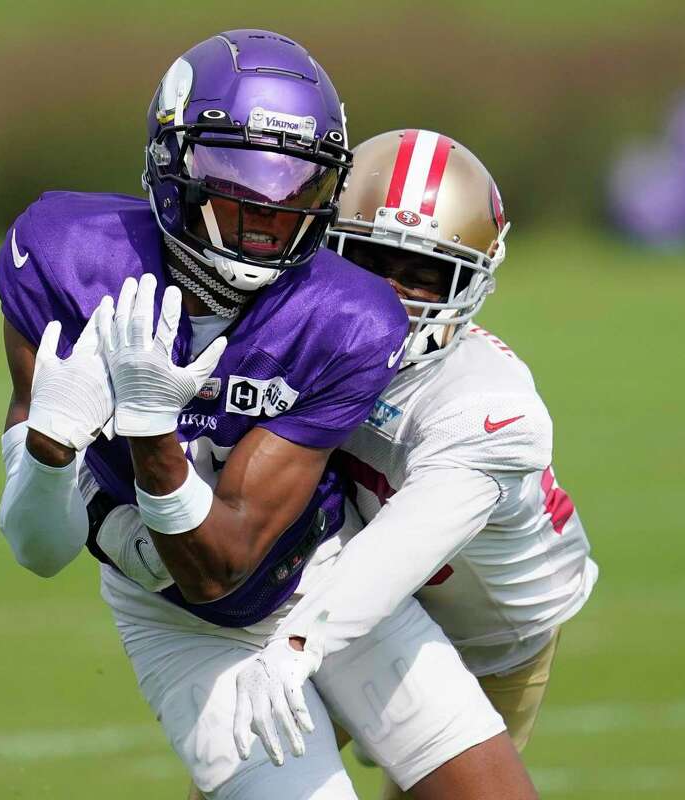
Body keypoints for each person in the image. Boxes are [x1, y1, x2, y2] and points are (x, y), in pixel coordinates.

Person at [0, 33, 535, 799]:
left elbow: (230, 556)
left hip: (317, 572)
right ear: (172, 161)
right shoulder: (66, 257)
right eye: (236, 170)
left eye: (297, 179)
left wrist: (153, 438)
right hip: (180, 623)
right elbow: (40, 550)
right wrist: (49, 453)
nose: (267, 205)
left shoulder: (347, 315)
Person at [227, 130, 598, 798]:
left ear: (473, 282)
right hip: (345, 590)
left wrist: (298, 645)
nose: (394, 294)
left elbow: (398, 551)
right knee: (245, 778)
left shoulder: (487, 406)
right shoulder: (295, 333)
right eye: (371, 260)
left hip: (486, 640)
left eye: (427, 274)